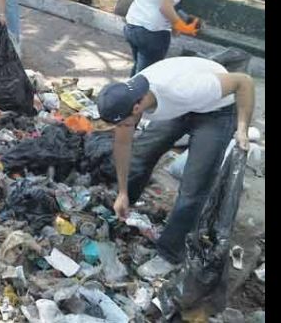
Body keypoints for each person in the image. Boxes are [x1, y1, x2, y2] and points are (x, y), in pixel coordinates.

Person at [96, 56, 254, 272]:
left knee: (194, 187)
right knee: (141, 154)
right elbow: (124, 145)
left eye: (124, 123)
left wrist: (243, 128)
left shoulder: (182, 89)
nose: (123, 127)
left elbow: (243, 81)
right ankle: (122, 209)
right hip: (180, 108)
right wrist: (122, 192)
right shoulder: (127, 96)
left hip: (216, 111)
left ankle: (169, 254)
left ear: (136, 108)